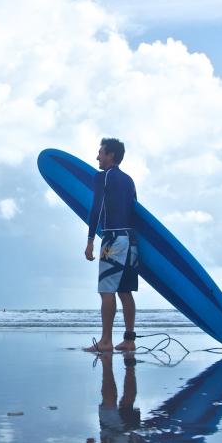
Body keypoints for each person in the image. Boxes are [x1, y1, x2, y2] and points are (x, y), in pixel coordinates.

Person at [84, 137, 138, 353]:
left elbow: (96, 208)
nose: (97, 157)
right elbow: (135, 211)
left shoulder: (102, 177)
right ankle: (129, 340)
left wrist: (90, 240)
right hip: (131, 240)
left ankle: (106, 341)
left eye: (100, 153)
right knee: (125, 291)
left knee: (106, 291)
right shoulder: (129, 180)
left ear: (110, 155)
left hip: (113, 239)